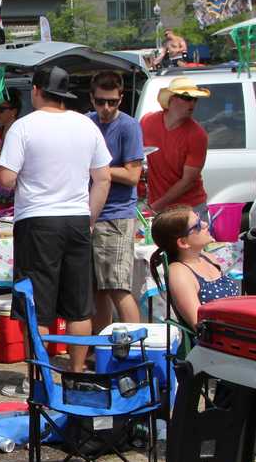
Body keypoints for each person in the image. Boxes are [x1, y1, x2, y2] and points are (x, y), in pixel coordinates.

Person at [0, 65, 111, 376]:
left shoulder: (23, 126)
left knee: (37, 305)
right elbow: (102, 179)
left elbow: (6, 179)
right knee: (78, 303)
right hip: (76, 218)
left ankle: (39, 377)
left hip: (37, 220)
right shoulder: (87, 125)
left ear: (36, 90)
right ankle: (75, 371)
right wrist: (89, 217)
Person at [86, 72, 145, 333]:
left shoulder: (129, 126)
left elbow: (133, 175)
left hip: (116, 216)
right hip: (90, 214)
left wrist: (98, 168)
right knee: (98, 289)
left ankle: (137, 350)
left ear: (121, 98)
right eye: (100, 102)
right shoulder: (86, 122)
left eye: (112, 102)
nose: (106, 108)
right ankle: (100, 348)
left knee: (118, 287)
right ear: (92, 99)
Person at [150, 205, 239, 328]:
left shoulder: (208, 258)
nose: (205, 224)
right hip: (218, 341)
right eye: (197, 225)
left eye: (200, 218)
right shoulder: (180, 272)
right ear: (183, 242)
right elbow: (199, 324)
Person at [141, 77, 210, 216]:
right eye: (187, 98)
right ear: (171, 99)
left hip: (189, 209)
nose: (192, 103)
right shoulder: (147, 122)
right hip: (157, 206)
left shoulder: (197, 135)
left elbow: (188, 181)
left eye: (195, 99)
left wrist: (155, 207)